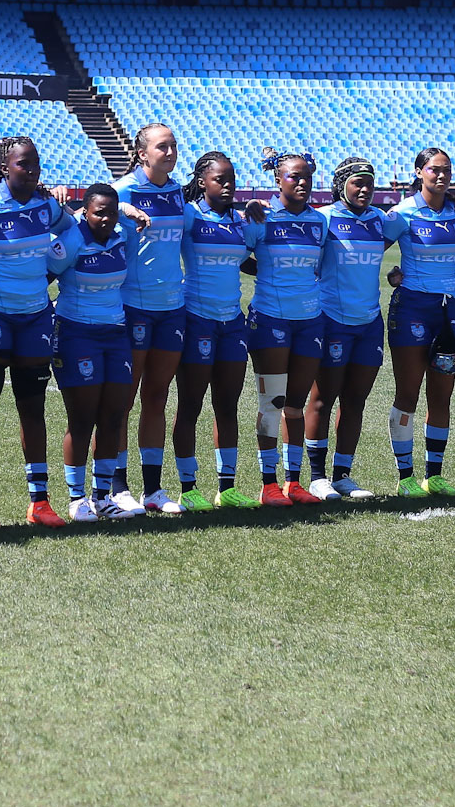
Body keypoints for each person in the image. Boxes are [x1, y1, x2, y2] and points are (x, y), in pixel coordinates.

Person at [0, 135, 72, 528]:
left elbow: (72, 230)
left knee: (33, 408)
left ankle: (39, 502)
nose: (32, 169)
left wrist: (52, 268)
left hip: (35, 317)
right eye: (24, 163)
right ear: (5, 167)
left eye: (36, 162)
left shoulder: (46, 205)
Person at [306, 156, 406, 500]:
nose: (364, 189)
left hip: (369, 323)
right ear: (341, 186)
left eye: (369, 184)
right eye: (357, 183)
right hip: (332, 319)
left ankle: (342, 475)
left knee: (355, 401)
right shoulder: (324, 219)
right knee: (323, 399)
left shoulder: (379, 220)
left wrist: (398, 274)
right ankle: (317, 477)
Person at [173, 151, 259, 510]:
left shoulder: (240, 221)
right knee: (190, 406)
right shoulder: (189, 215)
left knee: (227, 406)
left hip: (232, 324)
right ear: (202, 182)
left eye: (231, 179)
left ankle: (227, 487)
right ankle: (188, 488)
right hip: (197, 319)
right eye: (219, 179)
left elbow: (247, 261)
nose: (227, 185)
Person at [112, 123, 190, 515]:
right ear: (142, 153)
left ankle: (154, 489)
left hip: (171, 308)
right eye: (162, 147)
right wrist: (120, 207)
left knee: (157, 396)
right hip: (133, 306)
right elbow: (86, 211)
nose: (170, 152)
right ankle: (116, 486)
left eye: (173, 146)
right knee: (123, 400)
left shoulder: (178, 192)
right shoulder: (124, 189)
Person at [247, 149, 330, 506]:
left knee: (295, 404)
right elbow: (239, 257)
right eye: (294, 176)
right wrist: (269, 273)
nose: (301, 182)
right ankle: (268, 484)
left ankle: (293, 482)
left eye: (306, 176)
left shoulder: (319, 222)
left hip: (310, 321)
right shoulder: (260, 217)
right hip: (270, 318)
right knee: (272, 403)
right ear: (277, 179)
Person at [385, 148, 455, 497]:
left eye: (446, 169)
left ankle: (433, 476)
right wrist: (392, 275)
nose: (441, 175)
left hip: (448, 310)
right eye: (434, 169)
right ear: (419, 171)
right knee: (408, 393)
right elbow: (371, 249)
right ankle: (405, 477)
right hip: (412, 308)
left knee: (442, 396)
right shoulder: (403, 212)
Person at [50, 184, 136, 520]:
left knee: (113, 416)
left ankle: (102, 497)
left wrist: (127, 211)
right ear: (84, 212)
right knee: (82, 419)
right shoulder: (72, 240)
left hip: (115, 334)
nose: (106, 218)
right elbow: (42, 278)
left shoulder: (120, 237)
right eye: (99, 212)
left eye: (111, 212)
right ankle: (77, 499)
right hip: (76, 334)